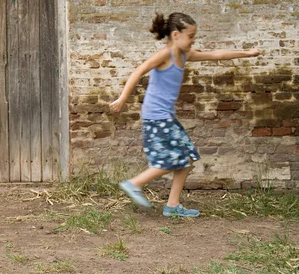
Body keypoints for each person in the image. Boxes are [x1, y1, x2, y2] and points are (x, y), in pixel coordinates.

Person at [110, 12, 262, 217]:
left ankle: (172, 206)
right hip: (156, 115)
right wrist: (122, 99)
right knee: (174, 160)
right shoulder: (165, 55)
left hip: (166, 116)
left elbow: (216, 54)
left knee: (187, 159)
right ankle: (134, 183)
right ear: (175, 35)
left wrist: (247, 53)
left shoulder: (185, 55)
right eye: (190, 36)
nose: (193, 41)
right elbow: (138, 72)